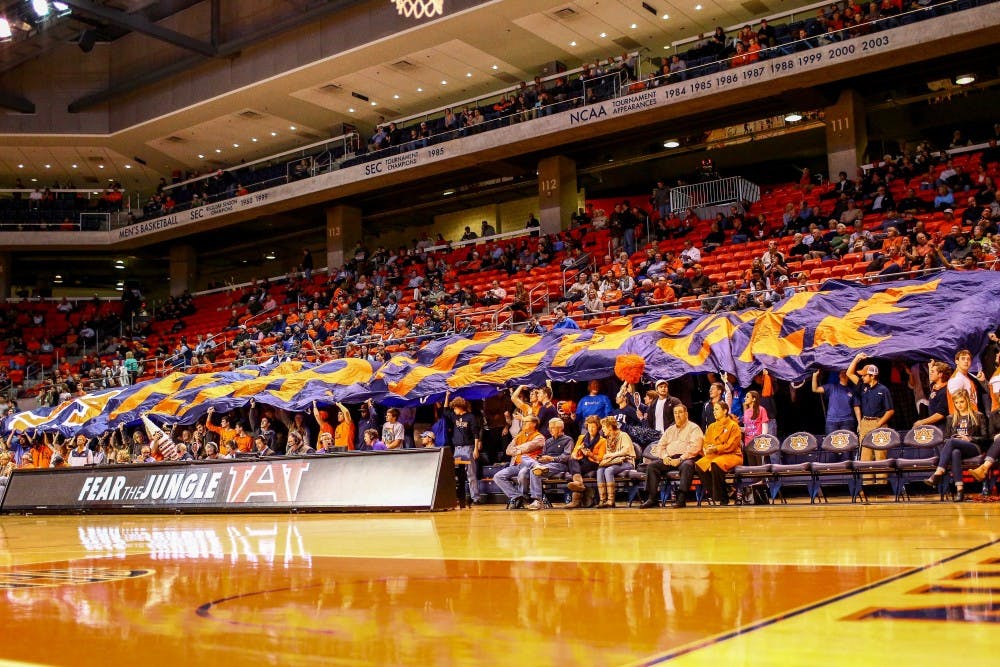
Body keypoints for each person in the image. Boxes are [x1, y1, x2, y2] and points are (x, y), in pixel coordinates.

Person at [925, 389, 989, 502]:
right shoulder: (951, 418)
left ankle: (938, 472)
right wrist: (954, 439)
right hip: (957, 447)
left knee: (952, 442)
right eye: (956, 402)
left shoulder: (978, 416)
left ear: (967, 401)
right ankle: (960, 490)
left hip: (973, 447)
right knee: (955, 452)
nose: (959, 405)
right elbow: (945, 439)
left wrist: (969, 438)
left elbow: (985, 437)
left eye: (961, 402)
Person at [640, 404, 704, 509]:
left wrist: (680, 459)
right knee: (652, 466)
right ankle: (652, 499)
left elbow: (695, 447)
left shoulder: (694, 428)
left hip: (687, 458)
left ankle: (681, 499)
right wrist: (664, 457)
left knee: (687, 466)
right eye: (675, 413)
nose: (677, 415)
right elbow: (660, 446)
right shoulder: (670, 429)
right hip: (669, 458)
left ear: (686, 414)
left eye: (680, 412)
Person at [847, 353, 894, 482]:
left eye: (864, 375)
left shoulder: (883, 390)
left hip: (879, 423)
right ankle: (868, 486)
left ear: (872, 376)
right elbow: (849, 374)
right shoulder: (863, 387)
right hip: (865, 423)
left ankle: (881, 487)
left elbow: (890, 411)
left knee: (880, 457)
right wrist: (856, 359)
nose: (862, 377)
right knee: (865, 457)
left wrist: (879, 424)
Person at [695, 402, 743, 505]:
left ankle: (722, 498)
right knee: (699, 465)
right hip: (714, 455)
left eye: (716, 409)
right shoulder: (711, 426)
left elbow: (731, 446)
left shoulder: (733, 426)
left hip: (732, 455)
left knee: (716, 464)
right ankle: (722, 492)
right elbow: (706, 442)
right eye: (713, 410)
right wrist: (708, 448)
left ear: (725, 411)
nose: (714, 412)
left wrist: (716, 448)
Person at [494, 415, 545, 508]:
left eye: (526, 421)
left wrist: (517, 449)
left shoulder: (539, 437)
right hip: (516, 464)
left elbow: (529, 446)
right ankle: (518, 496)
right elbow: (508, 450)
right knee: (498, 476)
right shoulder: (519, 435)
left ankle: (523, 499)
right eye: (523, 421)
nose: (523, 423)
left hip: (528, 466)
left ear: (534, 424)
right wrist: (519, 450)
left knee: (522, 474)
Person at [525, 418, 574, 510]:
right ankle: (537, 466)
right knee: (525, 458)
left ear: (560, 428)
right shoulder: (548, 441)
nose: (550, 430)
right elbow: (543, 455)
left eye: (552, 428)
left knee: (535, 471)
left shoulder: (568, 440)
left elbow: (566, 457)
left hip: (559, 465)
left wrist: (552, 458)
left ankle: (538, 500)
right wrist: (540, 458)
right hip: (545, 465)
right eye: (549, 428)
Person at [444, 395, 482, 505]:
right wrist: (447, 396)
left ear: (459, 407)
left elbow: (476, 433)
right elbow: (445, 411)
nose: (453, 410)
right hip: (457, 449)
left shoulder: (470, 417)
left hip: (468, 448)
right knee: (458, 475)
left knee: (470, 473)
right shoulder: (455, 417)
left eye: (455, 407)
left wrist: (475, 449)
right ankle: (460, 498)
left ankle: (476, 498)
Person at [565, 415, 607, 508]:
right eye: (589, 426)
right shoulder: (581, 437)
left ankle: (575, 500)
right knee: (571, 460)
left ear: (598, 428)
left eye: (593, 427)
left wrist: (590, 454)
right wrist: (576, 453)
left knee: (575, 468)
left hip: (593, 463)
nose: (591, 429)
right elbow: (574, 452)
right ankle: (578, 483)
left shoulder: (602, 441)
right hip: (581, 461)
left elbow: (600, 458)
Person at [595, 416, 636, 508]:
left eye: (604, 427)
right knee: (600, 470)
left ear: (610, 427)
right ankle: (603, 500)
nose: (602, 429)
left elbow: (626, 451)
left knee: (608, 470)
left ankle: (611, 500)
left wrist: (610, 455)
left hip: (627, 462)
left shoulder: (623, 435)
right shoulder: (608, 439)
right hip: (614, 462)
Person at [811, 368, 860, 434]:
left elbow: (856, 407)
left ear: (848, 375)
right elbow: (815, 389)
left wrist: (859, 423)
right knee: (831, 443)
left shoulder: (852, 390)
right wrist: (814, 376)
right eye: (842, 372)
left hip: (847, 421)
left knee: (847, 443)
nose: (844, 374)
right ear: (839, 375)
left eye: (845, 372)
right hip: (832, 421)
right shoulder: (831, 387)